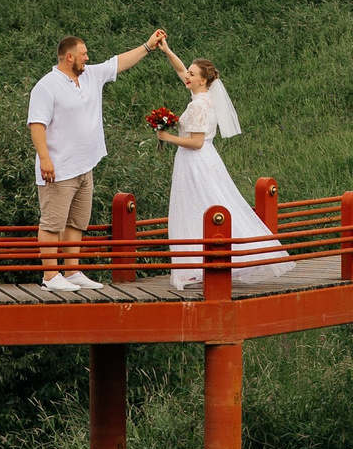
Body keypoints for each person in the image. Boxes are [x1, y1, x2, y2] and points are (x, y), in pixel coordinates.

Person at [148, 31, 289, 290]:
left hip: (196, 158)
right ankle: (198, 264)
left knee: (200, 206)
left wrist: (167, 137)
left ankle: (202, 263)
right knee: (201, 204)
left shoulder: (198, 105)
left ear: (202, 81)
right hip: (201, 159)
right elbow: (180, 70)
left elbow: (196, 141)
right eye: (187, 73)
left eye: (191, 74)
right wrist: (167, 51)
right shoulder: (203, 96)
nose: (186, 76)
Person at [26, 32, 157, 291]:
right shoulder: (47, 85)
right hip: (58, 168)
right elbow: (37, 125)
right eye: (83, 53)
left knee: (76, 222)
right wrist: (45, 159)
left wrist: (148, 46)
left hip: (85, 165)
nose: (88, 57)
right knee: (52, 224)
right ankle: (50, 277)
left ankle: (72, 271)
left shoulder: (90, 75)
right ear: (69, 56)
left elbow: (118, 62)